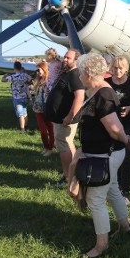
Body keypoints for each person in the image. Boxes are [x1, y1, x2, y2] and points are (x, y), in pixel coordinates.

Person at [68, 53, 130, 258]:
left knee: (95, 199)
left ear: (88, 73)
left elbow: (115, 129)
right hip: (106, 154)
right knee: (112, 188)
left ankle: (102, 244)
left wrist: (126, 140)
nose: (79, 75)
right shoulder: (99, 90)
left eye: (81, 71)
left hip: (105, 155)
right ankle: (125, 227)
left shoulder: (104, 94)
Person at [45, 50, 85, 186]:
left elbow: (79, 98)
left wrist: (70, 116)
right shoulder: (68, 73)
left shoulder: (75, 75)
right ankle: (73, 174)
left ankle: (68, 177)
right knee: (67, 143)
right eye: (65, 57)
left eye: (68, 58)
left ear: (76, 60)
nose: (65, 60)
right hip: (60, 118)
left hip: (65, 119)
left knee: (63, 145)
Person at [105, 55, 130, 203]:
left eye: (120, 68)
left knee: (126, 158)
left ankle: (125, 190)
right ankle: (113, 188)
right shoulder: (106, 83)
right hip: (112, 125)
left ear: (126, 69)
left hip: (129, 124)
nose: (117, 71)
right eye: (115, 68)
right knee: (112, 157)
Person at [30, 61, 55, 157]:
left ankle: (50, 148)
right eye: (36, 70)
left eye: (38, 70)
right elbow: (34, 93)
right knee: (43, 131)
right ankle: (46, 147)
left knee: (51, 130)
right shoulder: (38, 81)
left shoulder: (50, 81)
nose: (37, 72)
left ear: (44, 69)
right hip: (38, 109)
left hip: (48, 109)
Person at [2, 61, 32, 134]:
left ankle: (22, 129)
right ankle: (26, 126)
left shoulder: (13, 76)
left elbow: (3, 80)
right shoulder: (25, 75)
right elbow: (30, 81)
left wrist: (4, 75)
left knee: (20, 114)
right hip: (25, 97)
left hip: (17, 98)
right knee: (25, 113)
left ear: (14, 68)